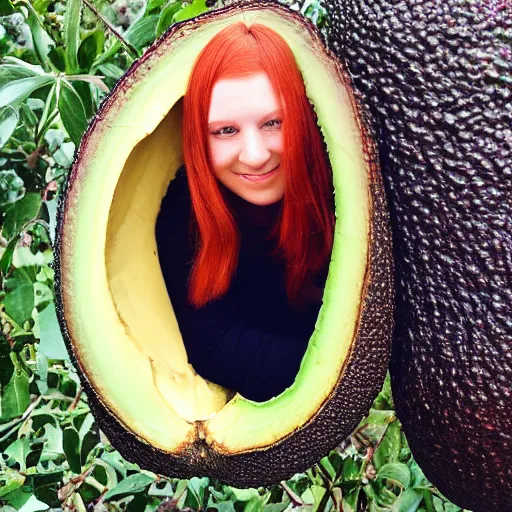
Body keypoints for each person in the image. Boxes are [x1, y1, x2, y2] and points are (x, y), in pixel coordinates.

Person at [156, 22, 335, 402]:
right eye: (225, 131)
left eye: (273, 123)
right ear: (198, 140)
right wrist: (335, 372)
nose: (255, 155)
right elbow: (210, 343)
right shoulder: (181, 212)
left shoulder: (341, 185)